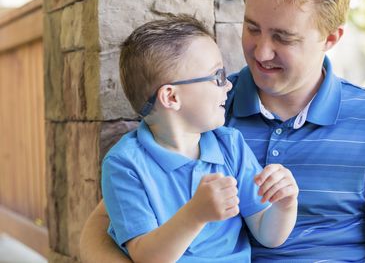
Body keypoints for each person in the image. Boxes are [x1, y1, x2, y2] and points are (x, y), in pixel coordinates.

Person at [80, 0, 365, 262]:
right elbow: (103, 228)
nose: (261, 53)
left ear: (330, 38)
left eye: (283, 37)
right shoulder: (203, 110)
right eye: (252, 28)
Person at [98, 14, 298, 263]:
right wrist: (194, 215)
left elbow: (268, 234)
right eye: (217, 77)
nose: (228, 86)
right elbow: (146, 257)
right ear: (171, 97)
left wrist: (285, 204)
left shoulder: (230, 146)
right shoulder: (124, 164)